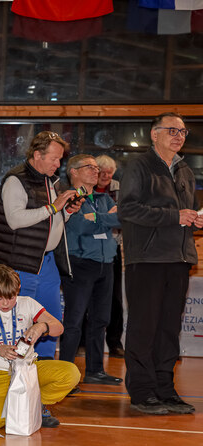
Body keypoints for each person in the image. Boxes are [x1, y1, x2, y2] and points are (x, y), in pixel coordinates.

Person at [118, 113, 200, 415]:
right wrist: (174, 216)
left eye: (183, 131)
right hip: (147, 259)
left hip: (179, 258)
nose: (179, 136)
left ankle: (165, 389)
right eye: (172, 130)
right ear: (154, 135)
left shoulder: (184, 170)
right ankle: (142, 392)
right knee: (144, 328)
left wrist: (194, 218)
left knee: (169, 329)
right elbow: (127, 210)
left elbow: (185, 212)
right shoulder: (139, 166)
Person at [0, 131, 82, 360]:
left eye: (60, 159)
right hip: (22, 261)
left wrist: (67, 211)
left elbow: (49, 220)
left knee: (50, 318)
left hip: (47, 260)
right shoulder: (16, 180)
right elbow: (15, 220)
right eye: (54, 158)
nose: (58, 164)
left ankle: (45, 365)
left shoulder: (49, 180)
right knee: (21, 319)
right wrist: (54, 207)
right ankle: (17, 366)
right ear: (37, 155)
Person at [0, 265, 80, 429]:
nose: (5, 303)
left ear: (18, 289)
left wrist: (42, 326)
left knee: (71, 373)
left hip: (28, 369)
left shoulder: (28, 304)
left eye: (11, 297)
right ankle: (19, 405)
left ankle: (36, 403)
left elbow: (59, 328)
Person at [58, 154, 122, 385]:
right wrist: (105, 218)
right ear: (73, 172)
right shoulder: (68, 199)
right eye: (90, 167)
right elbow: (81, 226)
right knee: (74, 321)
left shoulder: (103, 198)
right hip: (80, 264)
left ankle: (95, 371)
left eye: (97, 168)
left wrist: (96, 217)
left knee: (101, 319)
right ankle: (65, 375)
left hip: (106, 264)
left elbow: (121, 219)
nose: (96, 171)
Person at [95, 154, 125, 358]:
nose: (106, 176)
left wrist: (102, 218)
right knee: (88, 296)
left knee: (115, 297)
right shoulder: (86, 188)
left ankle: (114, 342)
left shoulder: (120, 189)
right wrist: (108, 217)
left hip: (113, 247)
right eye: (102, 172)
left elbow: (123, 216)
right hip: (88, 249)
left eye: (109, 172)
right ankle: (84, 342)